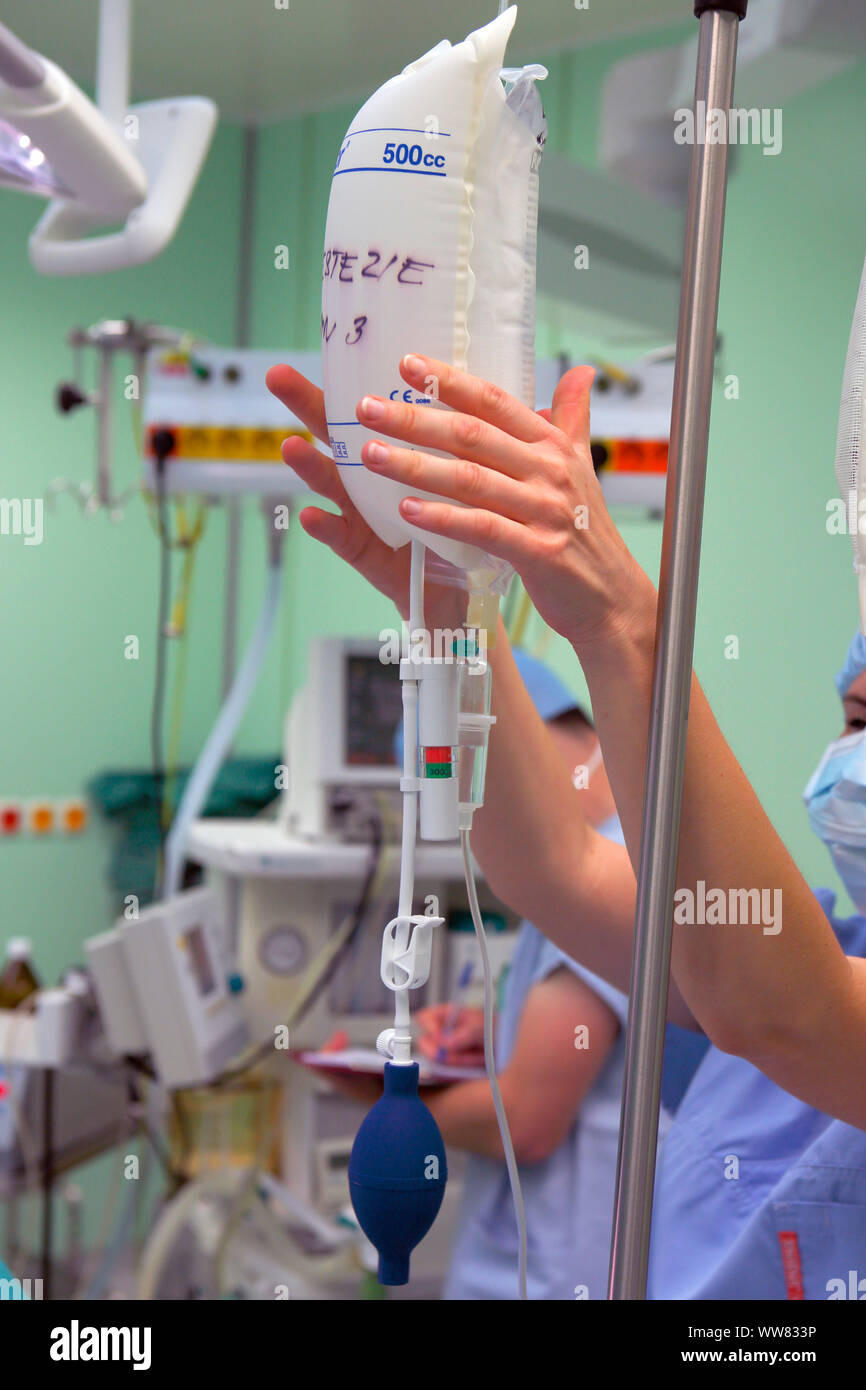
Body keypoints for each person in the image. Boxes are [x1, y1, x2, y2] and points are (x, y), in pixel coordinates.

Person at [266, 354, 866, 1296]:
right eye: (858, 720)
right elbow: (550, 869)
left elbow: (794, 1014)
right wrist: (456, 609)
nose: (853, 761)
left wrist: (623, 621)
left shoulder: (799, 988)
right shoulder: (817, 939)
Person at [413, 649, 705, 1300]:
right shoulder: (587, 869)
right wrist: (490, 1036)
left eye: (464, 780)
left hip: (564, 1271)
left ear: (511, 743)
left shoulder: (615, 873)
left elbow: (524, 1122)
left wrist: (387, 1102)